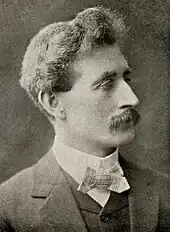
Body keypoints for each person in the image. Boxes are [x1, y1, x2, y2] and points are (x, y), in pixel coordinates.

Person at [0, 6, 169, 232]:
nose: (132, 99)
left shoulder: (165, 191)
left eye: (126, 79)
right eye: (107, 84)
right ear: (54, 102)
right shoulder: (8, 208)